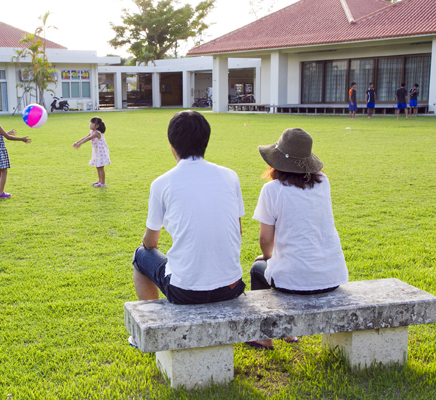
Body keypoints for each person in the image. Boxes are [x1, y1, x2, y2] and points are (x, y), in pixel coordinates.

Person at [129, 110, 245, 347]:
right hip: (231, 286)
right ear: (206, 141)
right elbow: (238, 231)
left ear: (172, 145)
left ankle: (151, 325)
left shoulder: (162, 183)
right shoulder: (230, 176)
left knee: (140, 256)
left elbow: (150, 243)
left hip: (187, 292)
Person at [248, 128, 348, 350]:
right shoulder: (323, 182)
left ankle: (265, 336)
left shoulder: (272, 190)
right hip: (331, 276)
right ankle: (289, 333)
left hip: (294, 280)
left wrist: (267, 257)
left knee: (258, 269)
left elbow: (265, 240)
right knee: (273, 269)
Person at [0, 104, 31, 199]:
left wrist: (8, 132)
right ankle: (1, 193)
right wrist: (21, 139)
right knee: (4, 172)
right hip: (0, 151)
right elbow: (7, 138)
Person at [73, 117, 110, 187]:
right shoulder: (92, 132)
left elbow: (88, 138)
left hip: (101, 152)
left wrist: (80, 144)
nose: (90, 125)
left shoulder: (97, 133)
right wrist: (77, 142)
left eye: (92, 123)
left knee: (101, 167)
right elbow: (85, 137)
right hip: (97, 151)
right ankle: (100, 181)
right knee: (97, 166)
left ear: (97, 125)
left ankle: (103, 183)